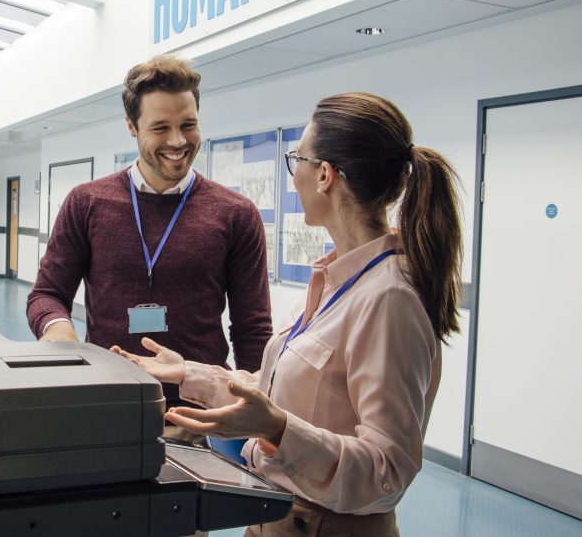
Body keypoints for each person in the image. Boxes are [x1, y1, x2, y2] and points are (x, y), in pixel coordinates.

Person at [112, 92, 463, 536]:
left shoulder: (389, 298)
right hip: (277, 512)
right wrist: (189, 374)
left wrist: (278, 429)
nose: (293, 170)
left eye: (297, 156)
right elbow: (282, 397)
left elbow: (386, 472)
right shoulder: (334, 279)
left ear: (324, 176)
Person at [27, 55, 273, 440]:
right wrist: (57, 329)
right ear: (131, 126)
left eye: (188, 125)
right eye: (160, 128)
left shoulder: (235, 214)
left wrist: (252, 417)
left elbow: (253, 329)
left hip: (203, 422)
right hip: (108, 407)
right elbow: (46, 294)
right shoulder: (88, 203)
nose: (178, 141)